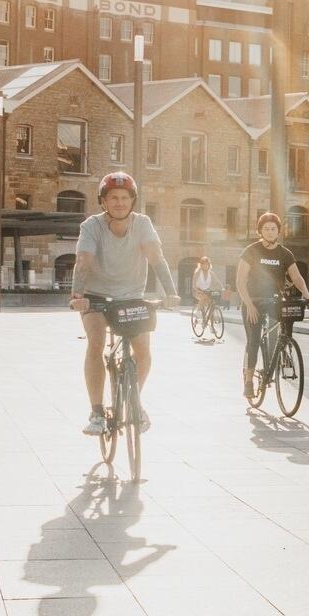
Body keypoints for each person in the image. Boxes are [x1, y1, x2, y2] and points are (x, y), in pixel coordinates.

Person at [70, 171, 175, 435]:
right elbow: (83, 260)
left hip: (131, 296)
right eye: (113, 197)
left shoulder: (142, 224)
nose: (119, 202)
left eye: (124, 197)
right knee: (95, 343)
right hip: (96, 296)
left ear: (132, 200)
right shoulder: (91, 226)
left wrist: (171, 292)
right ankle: (96, 412)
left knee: (143, 351)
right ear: (103, 201)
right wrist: (77, 296)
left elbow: (156, 257)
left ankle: (133, 400)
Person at [236, 211, 307, 400]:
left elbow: (297, 277)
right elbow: (240, 281)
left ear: (278, 231)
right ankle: (249, 381)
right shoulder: (251, 251)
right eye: (266, 229)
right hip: (253, 302)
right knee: (254, 340)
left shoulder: (285, 253)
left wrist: (307, 294)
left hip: (274, 301)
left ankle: (276, 359)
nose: (269, 231)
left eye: (273, 228)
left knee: (282, 328)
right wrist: (249, 304)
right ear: (260, 231)